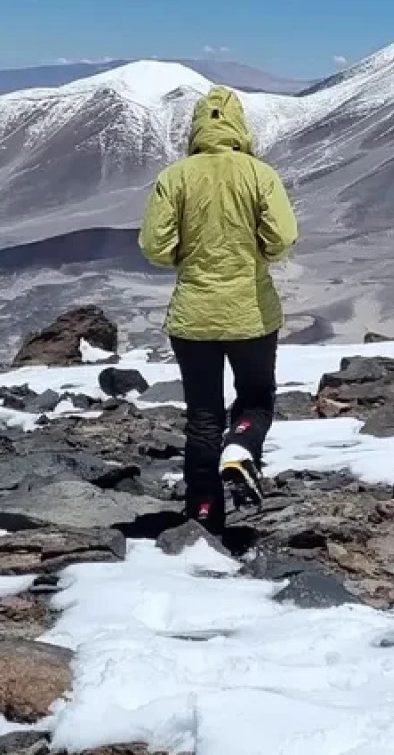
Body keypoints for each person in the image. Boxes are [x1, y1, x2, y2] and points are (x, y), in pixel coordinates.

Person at [139, 85, 298, 531]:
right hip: (252, 314)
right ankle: (243, 447)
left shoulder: (175, 177)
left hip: (192, 317)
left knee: (202, 416)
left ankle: (203, 512)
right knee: (255, 399)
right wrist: (259, 254)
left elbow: (155, 245)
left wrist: (181, 258)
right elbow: (282, 237)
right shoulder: (259, 174)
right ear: (240, 126)